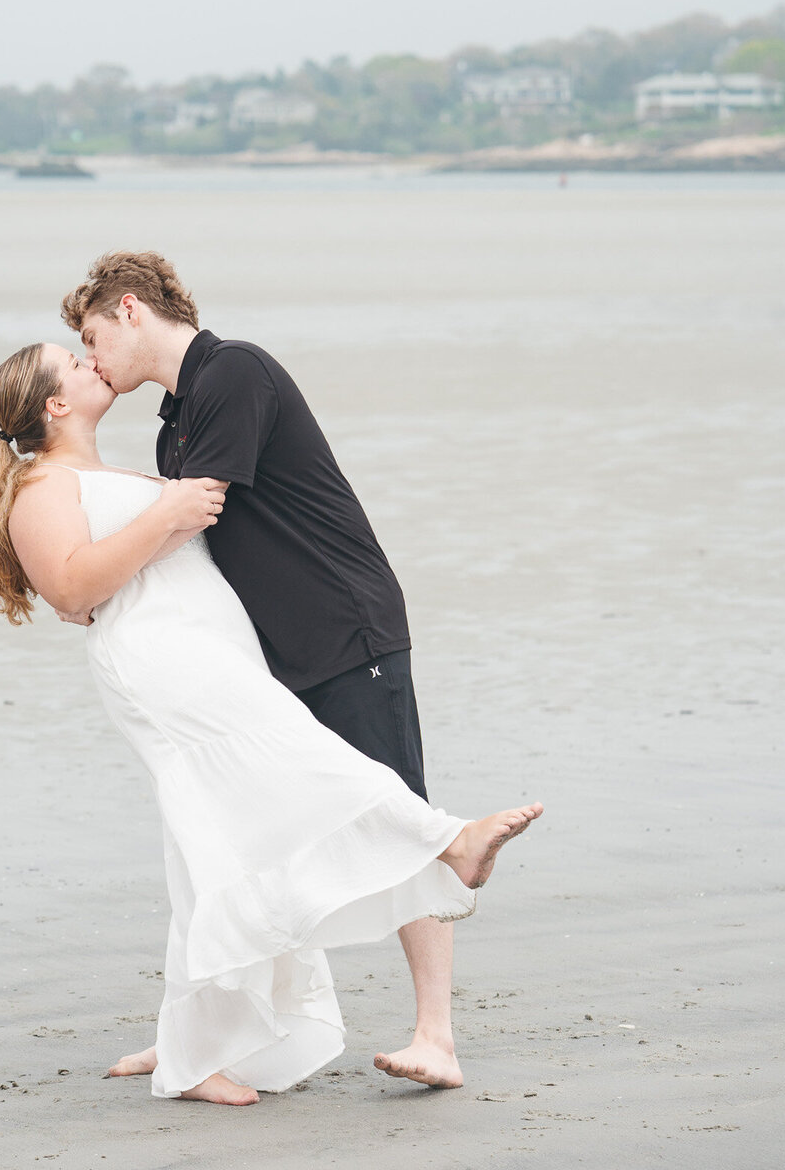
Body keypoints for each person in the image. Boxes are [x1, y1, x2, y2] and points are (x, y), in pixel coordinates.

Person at [0, 334, 542, 1106]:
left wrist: (168, 515)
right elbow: (72, 593)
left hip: (212, 649)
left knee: (216, 837)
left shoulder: (106, 470)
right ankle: (447, 840)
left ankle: (197, 1045)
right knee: (293, 759)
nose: (88, 360)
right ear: (55, 403)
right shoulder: (43, 486)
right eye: (72, 362)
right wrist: (167, 511)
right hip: (164, 660)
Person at [61, 251, 503, 1090]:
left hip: (346, 630)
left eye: (91, 337)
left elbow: (194, 512)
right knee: (232, 834)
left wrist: (88, 584)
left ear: (129, 310)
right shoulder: (174, 418)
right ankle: (200, 1029)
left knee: (399, 812)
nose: (92, 360)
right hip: (278, 653)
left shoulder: (233, 372)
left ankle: (437, 1035)